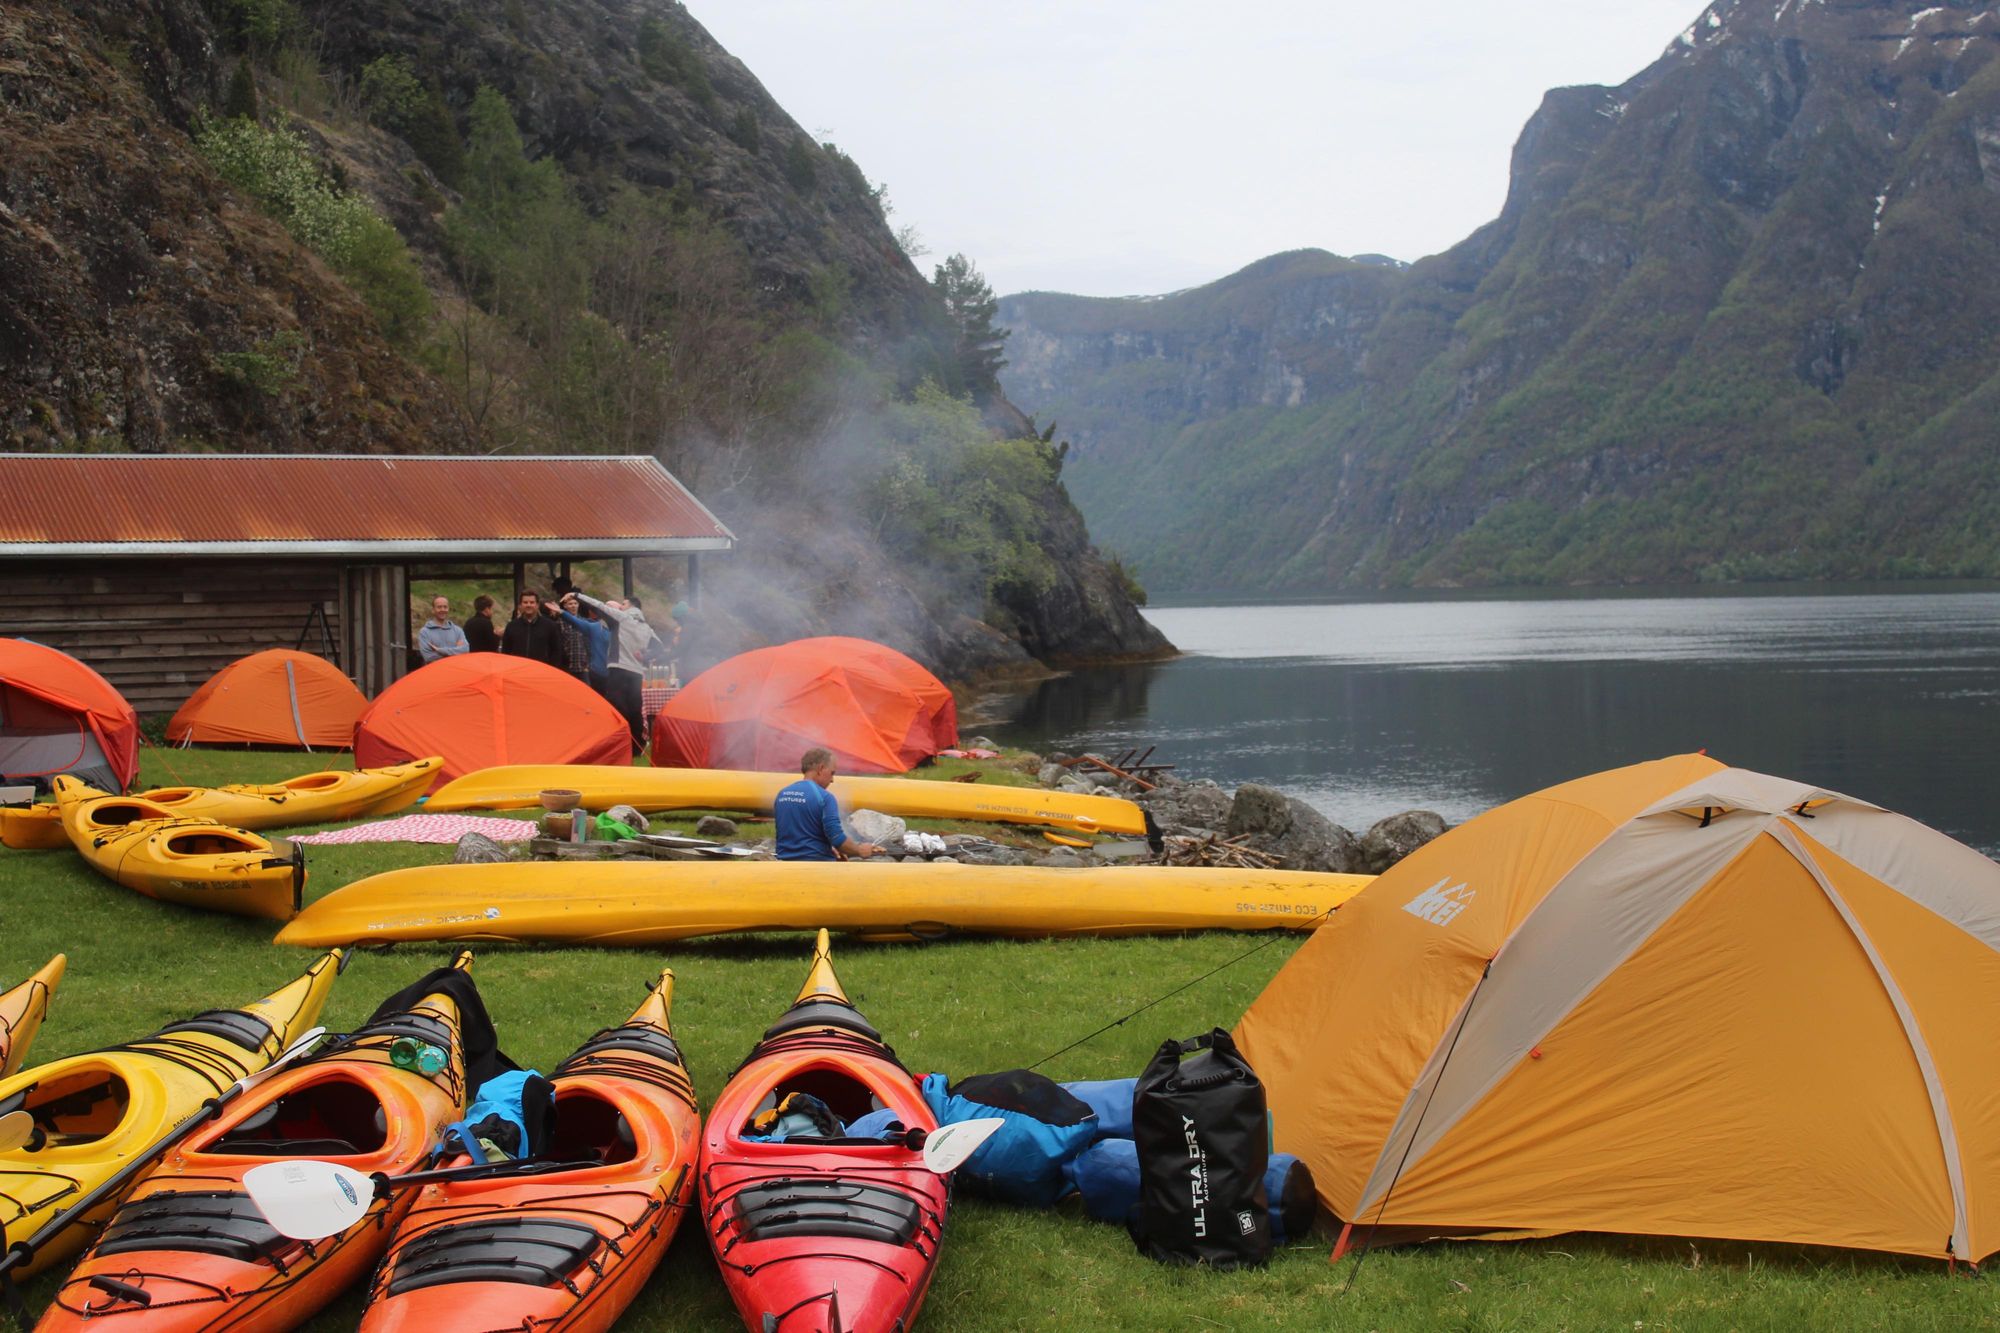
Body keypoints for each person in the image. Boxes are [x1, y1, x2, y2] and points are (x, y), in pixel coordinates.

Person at [576, 590, 665, 752]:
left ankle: (619, 742)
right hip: (637, 673)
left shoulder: (622, 617)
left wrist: (576, 595)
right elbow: (659, 648)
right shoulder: (647, 628)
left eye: (623, 603)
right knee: (635, 708)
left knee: (617, 706)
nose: (621, 606)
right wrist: (645, 656)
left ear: (630, 606)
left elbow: (599, 606)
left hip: (618, 669)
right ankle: (637, 747)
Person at [774, 747, 881, 862]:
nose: (832, 780)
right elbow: (837, 838)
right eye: (832, 773)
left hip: (784, 865)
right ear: (821, 768)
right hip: (817, 866)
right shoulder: (825, 797)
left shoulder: (782, 794)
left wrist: (829, 847)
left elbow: (798, 835)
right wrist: (860, 850)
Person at [550, 592, 611, 694]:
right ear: (565, 606)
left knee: (587, 693)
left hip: (584, 666)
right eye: (570, 604)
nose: (573, 606)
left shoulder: (586, 623)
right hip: (567, 665)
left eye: (575, 603)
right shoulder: (559, 623)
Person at [501, 589, 563, 666]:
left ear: (537, 605)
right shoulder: (512, 626)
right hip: (517, 671)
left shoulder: (550, 626)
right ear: (520, 605)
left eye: (532, 602)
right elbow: (505, 651)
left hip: (541, 671)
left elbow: (556, 651)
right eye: (525, 602)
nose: (528, 605)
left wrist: (552, 668)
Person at [417, 596, 469, 663]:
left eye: (445, 607)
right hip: (435, 671)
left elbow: (465, 650)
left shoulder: (458, 630)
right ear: (433, 610)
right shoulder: (424, 632)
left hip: (455, 671)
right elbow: (429, 657)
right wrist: (455, 651)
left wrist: (440, 650)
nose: (442, 609)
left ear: (448, 609)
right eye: (439, 607)